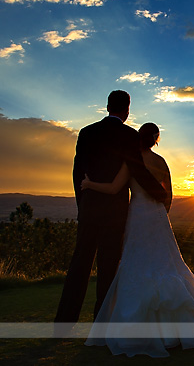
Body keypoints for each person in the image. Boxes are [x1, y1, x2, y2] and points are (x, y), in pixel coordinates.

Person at [83, 122, 194, 358]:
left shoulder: (131, 161)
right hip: (157, 217)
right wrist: (162, 214)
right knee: (166, 264)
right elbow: (168, 194)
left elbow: (115, 188)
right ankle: (177, 331)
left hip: (138, 216)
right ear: (156, 139)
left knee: (138, 265)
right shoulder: (161, 162)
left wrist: (88, 184)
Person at [54, 91, 168, 331]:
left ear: (107, 107)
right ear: (127, 110)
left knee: (79, 265)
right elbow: (137, 170)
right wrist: (160, 195)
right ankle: (101, 324)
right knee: (107, 268)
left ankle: (63, 324)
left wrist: (82, 205)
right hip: (115, 213)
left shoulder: (86, 133)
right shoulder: (128, 135)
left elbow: (77, 174)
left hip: (89, 209)